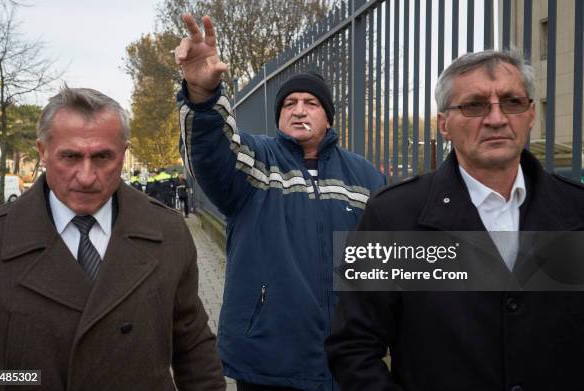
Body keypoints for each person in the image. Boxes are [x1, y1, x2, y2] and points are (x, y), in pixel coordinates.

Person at [325, 50, 584, 390]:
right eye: (474, 105)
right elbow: (352, 347)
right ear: (444, 124)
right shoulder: (394, 216)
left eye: (512, 102)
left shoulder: (576, 209)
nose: (496, 118)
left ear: (531, 114)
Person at [175, 13, 385, 391]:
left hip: (349, 363)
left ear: (328, 116)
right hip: (269, 361)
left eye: (310, 103)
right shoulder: (258, 160)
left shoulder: (365, 175)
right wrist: (203, 98)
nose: (299, 109)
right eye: (289, 103)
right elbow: (210, 152)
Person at [0, 87, 226, 391]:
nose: (86, 176)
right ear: (43, 152)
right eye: (70, 156)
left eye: (103, 157)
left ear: (123, 153)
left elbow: (192, 346)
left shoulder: (168, 231)